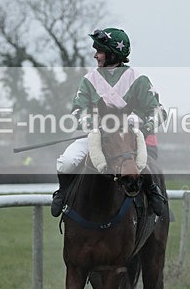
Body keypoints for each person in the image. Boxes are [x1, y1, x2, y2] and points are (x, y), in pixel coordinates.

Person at [50, 27, 167, 218]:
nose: (96, 55)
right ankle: (63, 192)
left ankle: (153, 190)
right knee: (67, 162)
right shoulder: (89, 80)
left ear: (112, 54)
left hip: (129, 139)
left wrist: (143, 128)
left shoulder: (139, 80)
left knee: (143, 165)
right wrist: (92, 124)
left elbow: (158, 111)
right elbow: (78, 110)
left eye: (100, 51)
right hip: (97, 136)